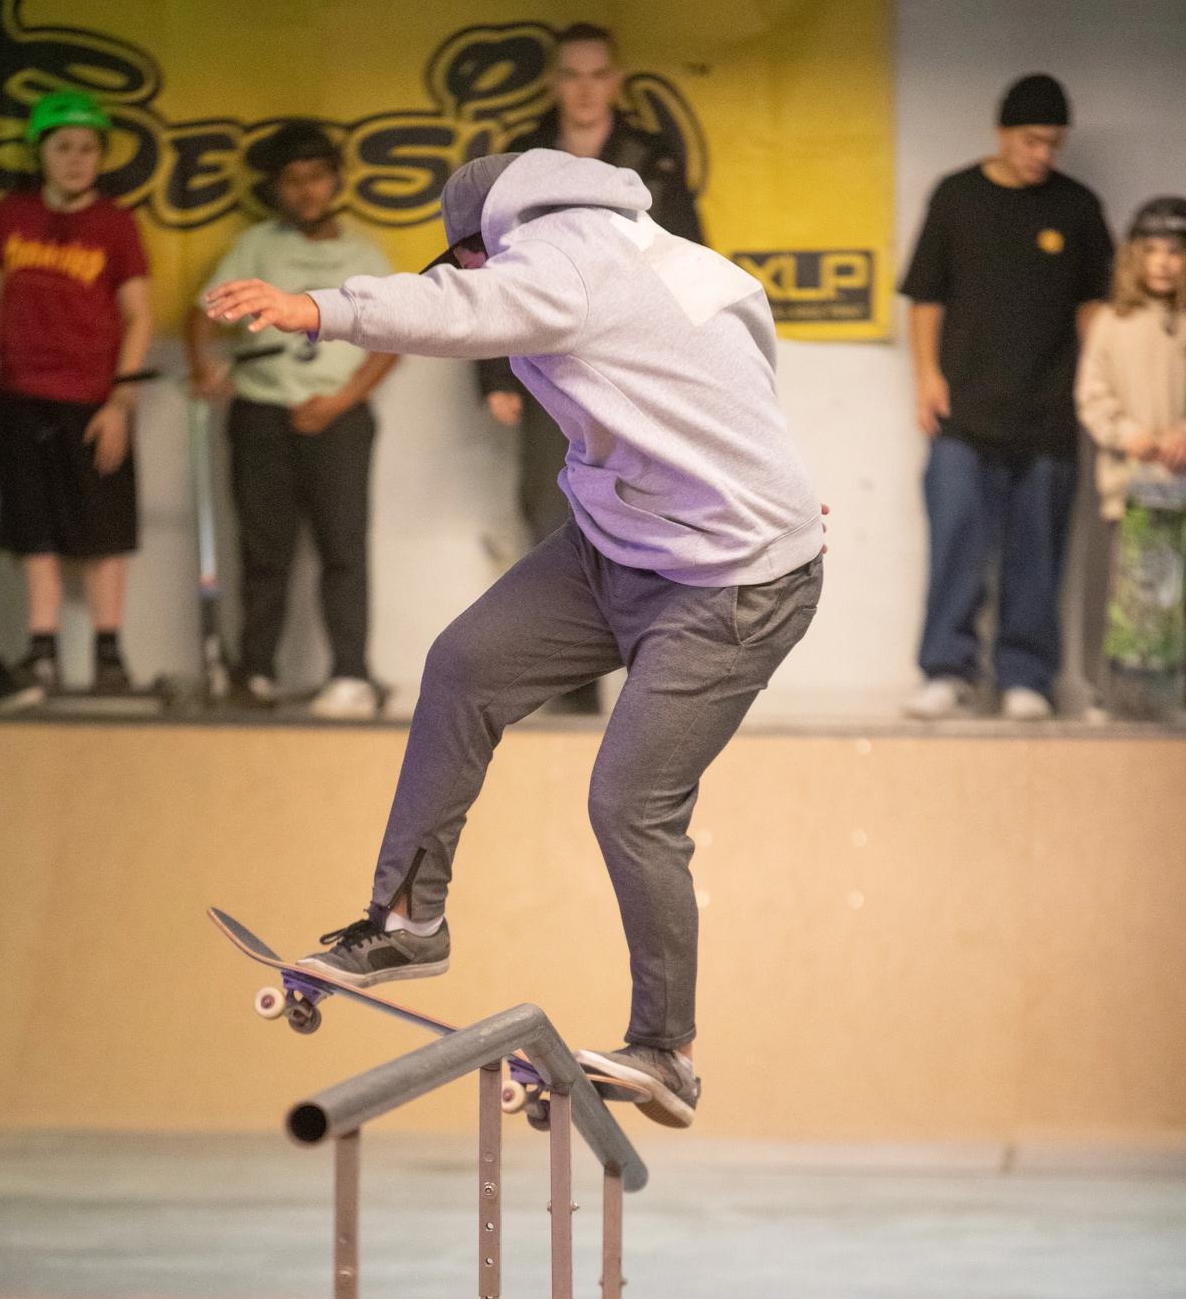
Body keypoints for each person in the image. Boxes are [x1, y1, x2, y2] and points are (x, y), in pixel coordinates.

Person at [206, 150, 825, 1127]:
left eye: (468, 264)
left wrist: (317, 310)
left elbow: (460, 310)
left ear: (479, 244)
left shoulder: (559, 255)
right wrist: (756, 476)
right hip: (617, 548)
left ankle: (667, 1050)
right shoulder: (658, 252)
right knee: (466, 665)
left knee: (631, 803)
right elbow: (741, 349)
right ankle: (409, 921)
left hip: (727, 589)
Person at [479, 23, 704, 712]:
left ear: (617, 81)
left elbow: (691, 266)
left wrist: (687, 373)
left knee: (652, 517)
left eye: (597, 74)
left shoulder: (651, 159)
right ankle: (573, 693)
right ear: (554, 83)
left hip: (636, 370)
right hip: (546, 364)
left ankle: (656, 681)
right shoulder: (520, 161)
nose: (584, 89)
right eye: (571, 75)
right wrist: (493, 373)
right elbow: (484, 262)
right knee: (553, 518)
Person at [900, 74, 1113, 721]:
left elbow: (1096, 308)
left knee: (1037, 554)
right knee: (957, 544)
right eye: (1030, 140)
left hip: (1049, 413)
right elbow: (925, 296)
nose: (1041, 154)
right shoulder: (957, 196)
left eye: (1053, 143)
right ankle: (947, 670)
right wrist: (927, 376)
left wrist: (1099, 389)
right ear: (1002, 132)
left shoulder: (1077, 207)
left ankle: (1027, 677)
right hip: (962, 411)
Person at [186, 121, 397, 718]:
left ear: (337, 181)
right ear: (276, 189)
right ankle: (255, 672)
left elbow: (392, 338)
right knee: (263, 552)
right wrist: (203, 367)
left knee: (344, 550)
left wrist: (342, 399)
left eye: (317, 177)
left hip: (339, 418)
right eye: (293, 180)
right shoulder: (257, 246)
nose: (306, 191)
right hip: (262, 414)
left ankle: (351, 674)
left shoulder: (364, 255)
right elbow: (202, 313)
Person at [0, 90, 153, 693]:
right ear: (41, 153)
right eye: (63, 147)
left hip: (92, 396)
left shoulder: (115, 223)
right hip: (22, 391)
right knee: (33, 526)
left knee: (105, 526)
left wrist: (121, 401)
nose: (76, 159)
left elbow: (139, 315)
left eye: (87, 148)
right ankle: (42, 649)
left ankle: (110, 655)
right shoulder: (11, 215)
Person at [1075, 197, 1186, 716]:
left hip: (1180, 488)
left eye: (1176, 252)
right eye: (1153, 250)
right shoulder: (1112, 321)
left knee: (1174, 595)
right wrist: (1128, 433)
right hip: (1128, 489)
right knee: (1121, 593)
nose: (1163, 263)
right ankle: (1110, 695)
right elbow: (1092, 394)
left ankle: (1174, 698)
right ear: (1134, 257)